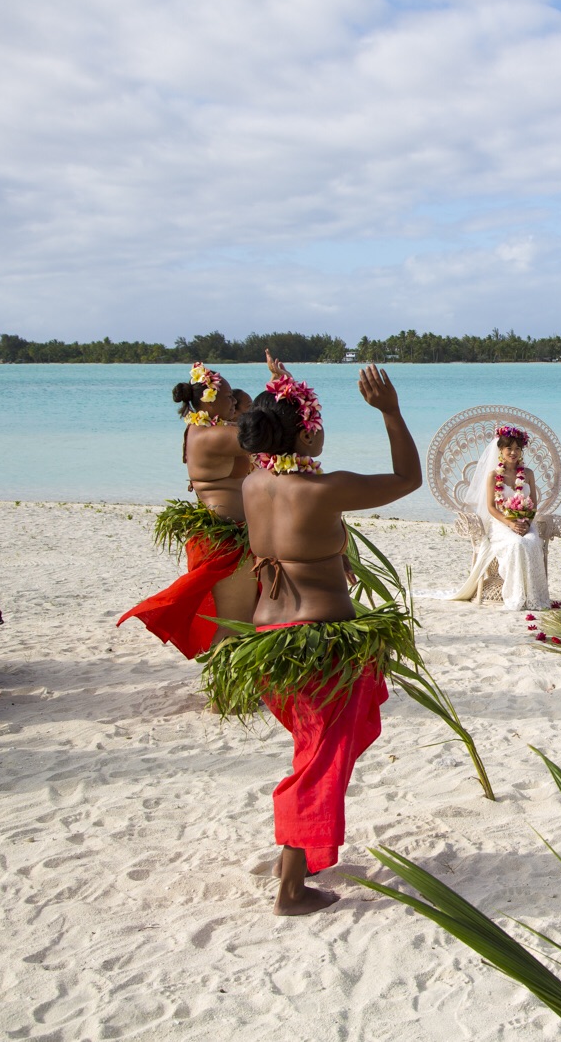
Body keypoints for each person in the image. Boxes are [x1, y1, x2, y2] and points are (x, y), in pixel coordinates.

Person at [200, 356, 420, 915]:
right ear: (302, 431)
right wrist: (391, 413)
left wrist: (280, 381)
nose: (323, 430)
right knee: (319, 761)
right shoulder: (323, 489)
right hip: (320, 646)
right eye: (317, 421)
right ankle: (292, 885)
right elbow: (408, 479)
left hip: (269, 646)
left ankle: (292, 857)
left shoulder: (254, 484)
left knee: (313, 751)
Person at [118, 362, 259, 660]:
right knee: (236, 621)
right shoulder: (211, 435)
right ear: (208, 399)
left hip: (233, 534)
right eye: (229, 395)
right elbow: (268, 437)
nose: (233, 401)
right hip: (227, 539)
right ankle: (227, 695)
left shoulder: (207, 429)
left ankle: (235, 688)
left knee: (244, 618)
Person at [450, 425, 549, 610]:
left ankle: (534, 596)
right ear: (501, 450)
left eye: (517, 448)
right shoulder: (494, 476)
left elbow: (533, 503)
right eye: (509, 448)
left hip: (526, 522)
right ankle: (516, 595)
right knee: (517, 544)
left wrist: (527, 522)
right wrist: (510, 524)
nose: (513, 452)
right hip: (501, 523)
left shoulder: (528, 474)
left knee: (532, 541)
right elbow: (490, 507)